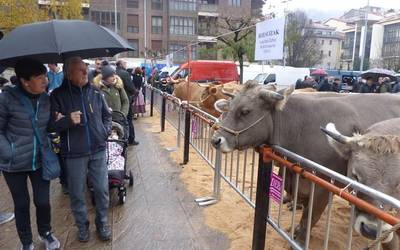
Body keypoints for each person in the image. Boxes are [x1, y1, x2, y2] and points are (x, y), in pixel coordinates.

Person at [0, 58, 60, 250]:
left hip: (40, 159)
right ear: (25, 81)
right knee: (22, 204)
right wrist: (8, 151)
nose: (45, 80)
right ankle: (26, 241)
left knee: (42, 201)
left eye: (45, 76)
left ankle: (46, 233)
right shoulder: (6, 99)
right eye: (39, 77)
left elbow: (48, 127)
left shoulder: (45, 99)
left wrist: (63, 120)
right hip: (13, 163)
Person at [50, 57, 112, 242]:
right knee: (77, 193)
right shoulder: (57, 96)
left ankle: (102, 223)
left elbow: (106, 116)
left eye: (85, 69)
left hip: (98, 149)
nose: (86, 73)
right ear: (69, 74)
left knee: (101, 190)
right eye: (80, 70)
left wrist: (105, 131)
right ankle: (82, 226)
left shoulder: (95, 92)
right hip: (74, 153)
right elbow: (50, 125)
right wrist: (68, 120)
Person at [114, 60, 139, 145]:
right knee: (128, 120)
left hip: (116, 100)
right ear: (121, 64)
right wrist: (135, 92)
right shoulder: (124, 73)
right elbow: (130, 87)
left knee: (119, 120)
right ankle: (130, 139)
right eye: (125, 63)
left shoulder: (115, 72)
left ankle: (120, 139)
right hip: (126, 99)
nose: (126, 65)